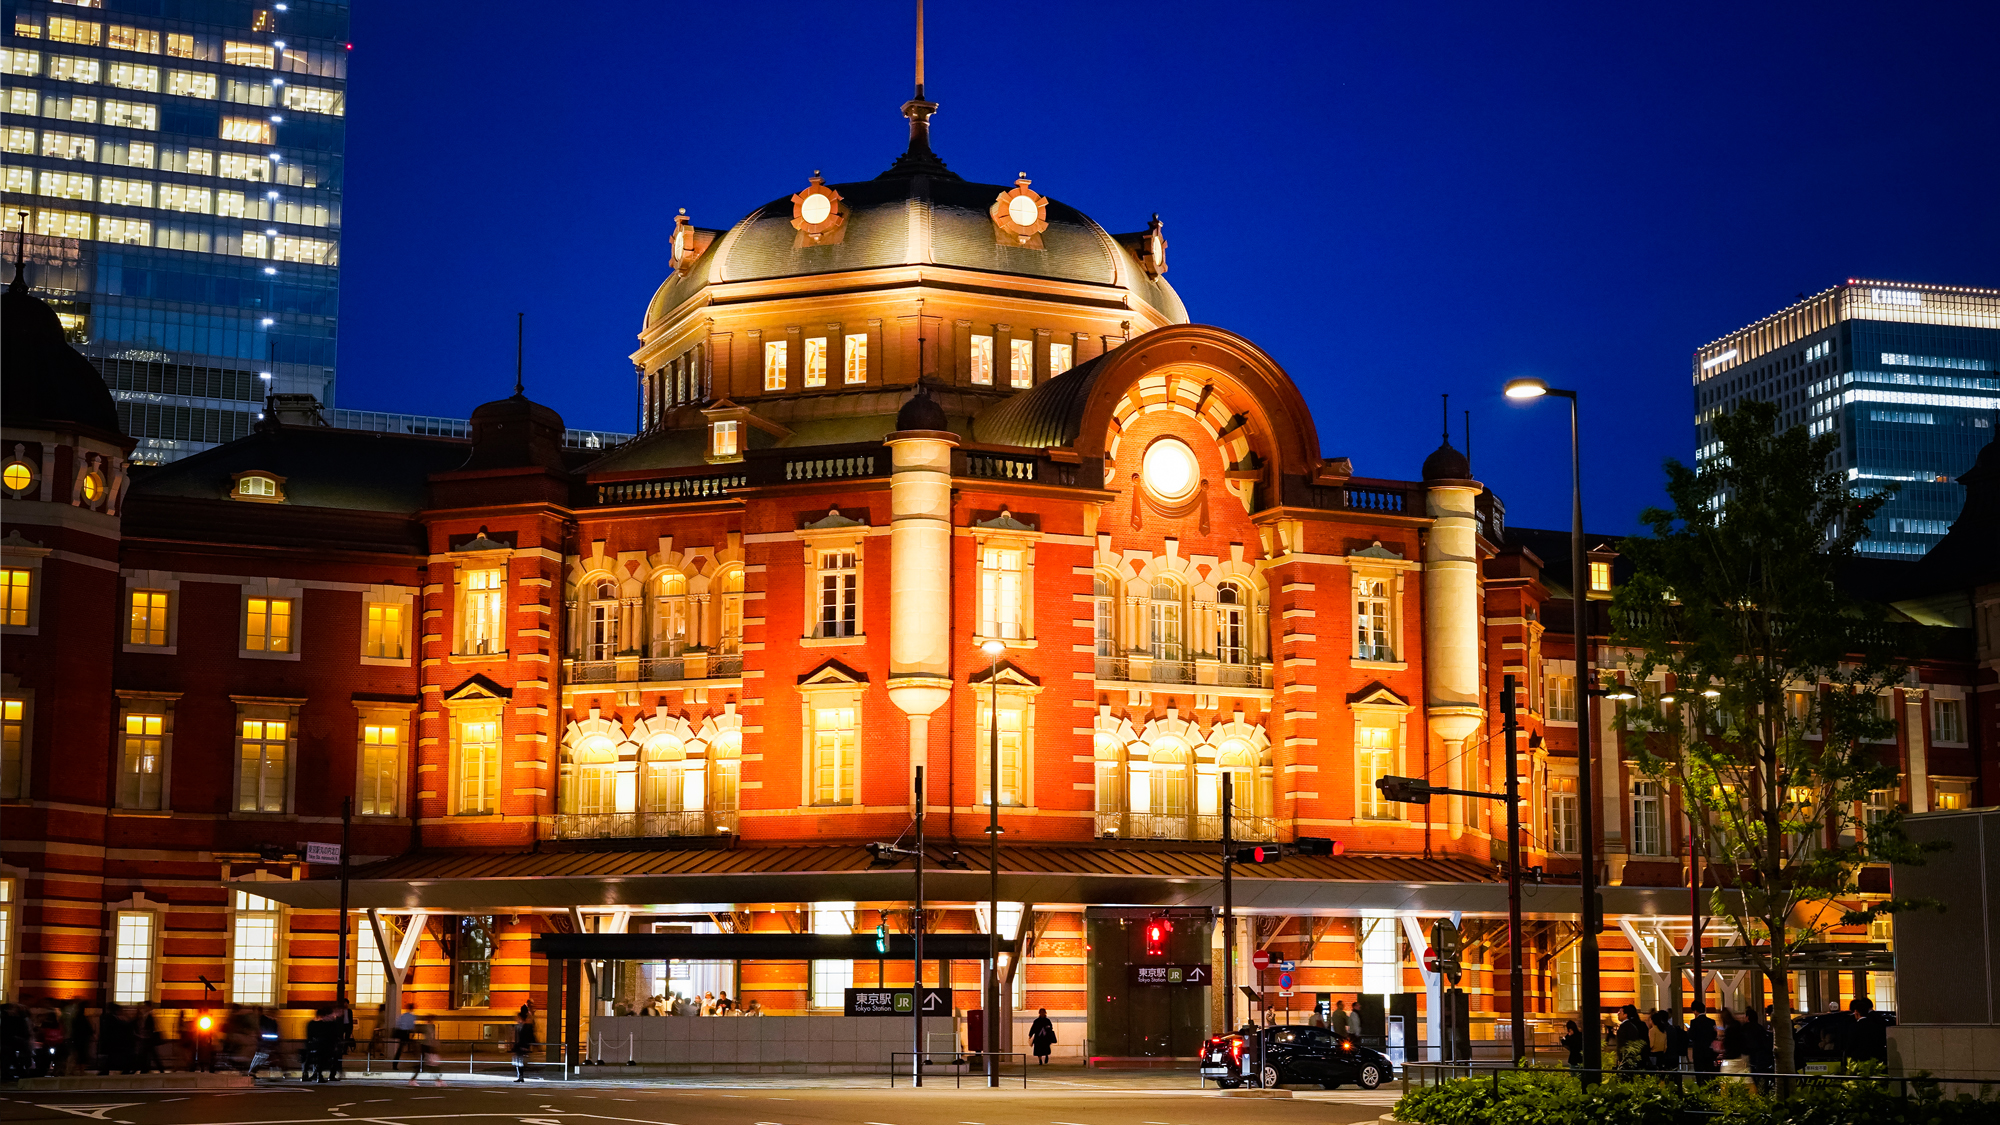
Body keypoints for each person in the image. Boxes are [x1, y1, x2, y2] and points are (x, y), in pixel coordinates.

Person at [1844, 997, 1889, 1064]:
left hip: (1858, 1060)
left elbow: (1850, 1044)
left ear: (1856, 1012)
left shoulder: (1854, 1027)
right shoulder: (1874, 1026)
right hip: (1873, 1059)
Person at [407, 1020, 444, 1087]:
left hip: (427, 1047)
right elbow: (428, 1039)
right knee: (430, 1065)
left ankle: (438, 1080)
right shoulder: (428, 1027)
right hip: (427, 1047)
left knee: (428, 1065)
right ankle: (438, 1080)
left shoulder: (428, 1027)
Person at [1614, 1005, 1650, 1071]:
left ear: (1626, 1014)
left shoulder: (1625, 1027)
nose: (1618, 1014)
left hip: (1629, 1058)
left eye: (1620, 1012)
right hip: (1642, 1056)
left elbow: (1621, 1044)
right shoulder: (1642, 1025)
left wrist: (1620, 1058)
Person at [1686, 1002, 1718, 1074]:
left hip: (1698, 1051)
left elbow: (1692, 1036)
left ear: (1695, 1011)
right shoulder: (1711, 1021)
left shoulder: (1694, 1022)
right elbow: (1714, 1035)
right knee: (1709, 1072)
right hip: (1709, 1050)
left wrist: (1689, 1031)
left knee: (1699, 1072)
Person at [509, 1009, 536, 1083]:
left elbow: (529, 1037)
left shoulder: (526, 1027)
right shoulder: (519, 1026)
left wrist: (527, 1046)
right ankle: (520, 1076)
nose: (517, 1019)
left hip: (522, 1047)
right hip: (518, 1047)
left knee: (520, 1062)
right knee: (518, 1062)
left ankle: (521, 1076)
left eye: (518, 1018)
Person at [391, 1001, 418, 1071]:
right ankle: (417, 1063)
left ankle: (395, 1064)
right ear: (412, 1008)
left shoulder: (402, 1015)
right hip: (407, 1033)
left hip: (401, 1032)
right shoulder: (412, 1016)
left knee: (400, 1049)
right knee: (414, 1047)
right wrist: (413, 1033)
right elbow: (412, 1026)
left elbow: (398, 1023)